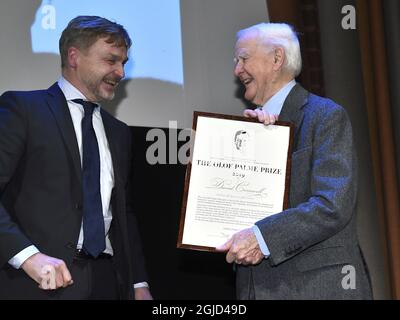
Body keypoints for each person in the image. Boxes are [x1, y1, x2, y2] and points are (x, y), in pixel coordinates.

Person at [0, 16, 152, 300]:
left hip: (108, 283)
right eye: (111, 60)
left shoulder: (118, 132)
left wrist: (138, 283)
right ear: (74, 56)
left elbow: (123, 216)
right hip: (36, 282)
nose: (120, 72)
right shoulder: (23, 110)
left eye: (123, 63)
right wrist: (28, 257)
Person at [217, 22, 372, 299]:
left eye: (243, 58)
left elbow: (332, 205)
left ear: (277, 58)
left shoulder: (325, 116)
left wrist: (260, 238)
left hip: (316, 288)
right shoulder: (249, 127)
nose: (236, 70)